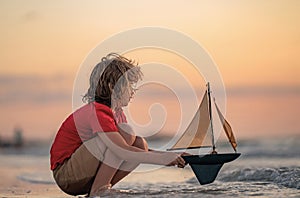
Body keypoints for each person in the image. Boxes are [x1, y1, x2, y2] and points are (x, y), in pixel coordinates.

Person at [50, 53, 187, 197]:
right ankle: (99, 189)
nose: (133, 91)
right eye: (129, 86)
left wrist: (172, 156)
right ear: (112, 87)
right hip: (66, 174)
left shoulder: (117, 113)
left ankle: (98, 188)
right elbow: (121, 150)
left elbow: (130, 149)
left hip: (82, 174)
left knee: (140, 144)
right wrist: (162, 160)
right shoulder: (97, 112)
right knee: (125, 134)